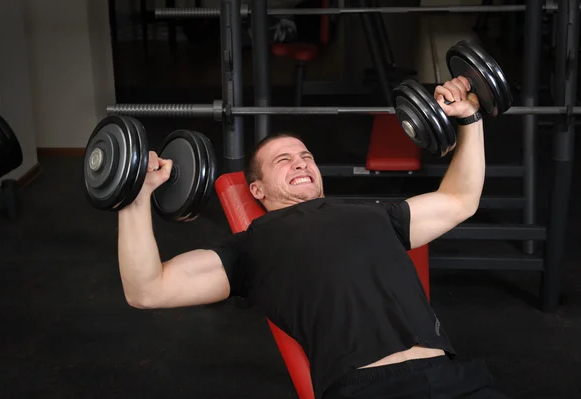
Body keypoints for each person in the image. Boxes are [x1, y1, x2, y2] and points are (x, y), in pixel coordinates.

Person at [117, 77, 510, 399]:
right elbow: (148, 289)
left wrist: (470, 118)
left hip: (454, 378)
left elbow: (460, 200)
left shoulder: (376, 214)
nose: (301, 163)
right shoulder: (252, 247)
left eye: (305, 156)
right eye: (283, 161)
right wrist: (134, 196)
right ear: (257, 190)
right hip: (370, 389)